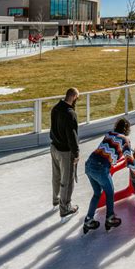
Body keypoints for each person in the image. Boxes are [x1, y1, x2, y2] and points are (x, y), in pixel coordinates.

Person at [83, 118, 135, 234]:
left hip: (89, 164)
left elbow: (109, 150)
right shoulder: (125, 140)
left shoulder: (109, 134)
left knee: (97, 193)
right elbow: (129, 161)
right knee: (109, 192)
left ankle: (89, 220)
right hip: (100, 167)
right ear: (127, 129)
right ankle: (110, 218)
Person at [50, 88, 80, 223]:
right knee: (67, 180)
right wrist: (76, 153)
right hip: (65, 152)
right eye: (77, 98)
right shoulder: (70, 113)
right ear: (73, 97)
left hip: (54, 147)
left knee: (56, 175)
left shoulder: (55, 108)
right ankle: (65, 207)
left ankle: (56, 199)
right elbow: (72, 136)